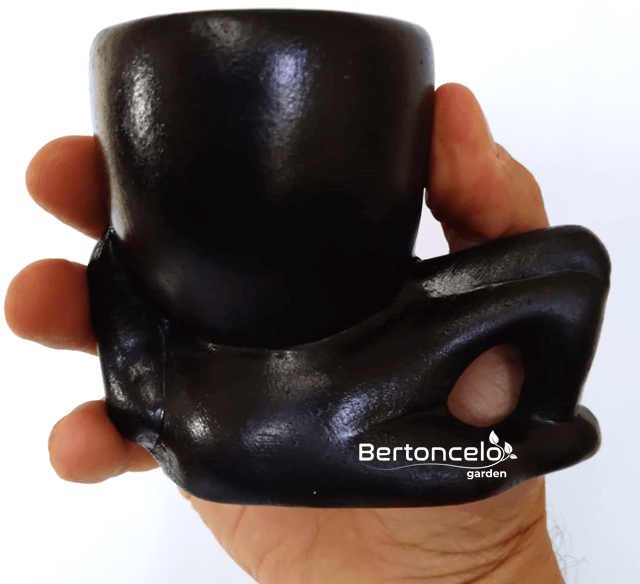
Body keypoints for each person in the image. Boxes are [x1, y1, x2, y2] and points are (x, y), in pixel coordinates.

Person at [5, 83, 564, 583]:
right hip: (228, 398)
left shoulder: (186, 425)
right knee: (567, 276)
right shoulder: (181, 410)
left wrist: (487, 567)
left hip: (254, 404)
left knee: (564, 278)